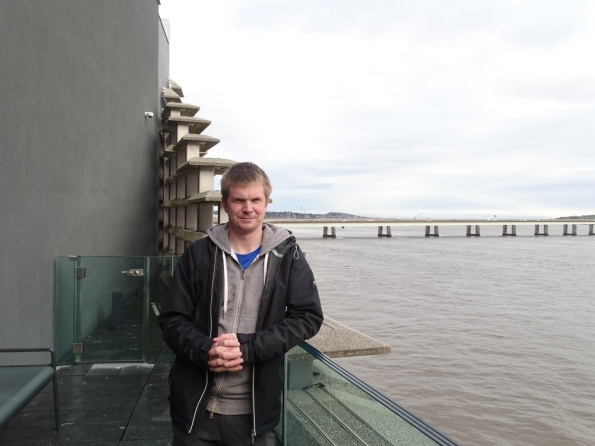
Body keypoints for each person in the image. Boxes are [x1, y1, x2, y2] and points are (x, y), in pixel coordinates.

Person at [158, 162, 323, 446]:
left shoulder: (288, 257)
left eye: (256, 200)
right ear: (225, 203)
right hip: (196, 409)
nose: (248, 208)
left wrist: (248, 348)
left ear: (267, 203)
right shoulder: (199, 254)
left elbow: (307, 317)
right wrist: (206, 349)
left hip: (255, 416)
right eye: (239, 200)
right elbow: (172, 319)